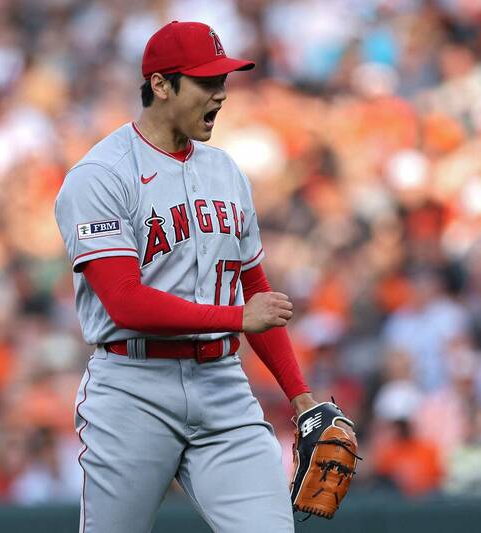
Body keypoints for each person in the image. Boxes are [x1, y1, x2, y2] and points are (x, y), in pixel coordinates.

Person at [54, 21, 317, 533]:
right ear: (160, 85)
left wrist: (301, 397)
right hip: (133, 388)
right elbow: (125, 303)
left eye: (223, 81)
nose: (220, 94)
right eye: (206, 82)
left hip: (222, 384)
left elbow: (255, 287)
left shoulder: (225, 171)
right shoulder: (101, 175)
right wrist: (239, 317)